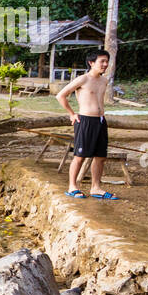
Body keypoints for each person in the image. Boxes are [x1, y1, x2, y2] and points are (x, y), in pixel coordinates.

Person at [56, 50, 119, 200]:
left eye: (106, 61)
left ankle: (96, 188)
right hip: (85, 120)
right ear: (91, 63)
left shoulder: (104, 81)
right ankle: (72, 186)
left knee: (100, 157)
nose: (105, 64)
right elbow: (60, 95)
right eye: (101, 61)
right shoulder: (83, 79)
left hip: (101, 121)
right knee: (80, 156)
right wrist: (72, 113)